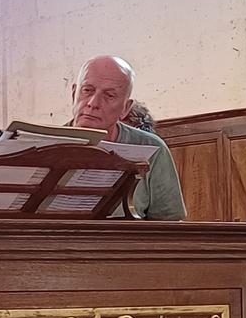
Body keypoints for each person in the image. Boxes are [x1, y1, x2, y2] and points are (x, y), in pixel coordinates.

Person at [69, 56, 186, 221]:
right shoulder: (43, 146)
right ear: (74, 93)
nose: (93, 103)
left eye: (109, 95)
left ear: (125, 108)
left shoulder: (152, 149)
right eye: (87, 90)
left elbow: (169, 226)